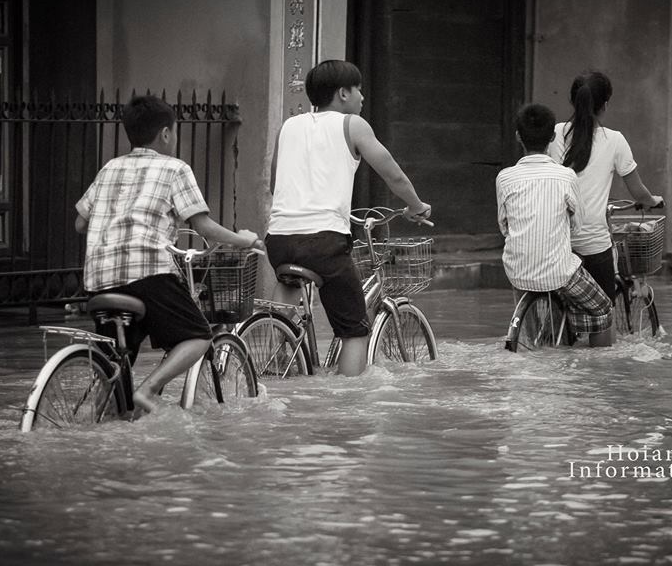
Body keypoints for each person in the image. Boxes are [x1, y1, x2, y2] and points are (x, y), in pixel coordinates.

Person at [74, 95, 264, 414]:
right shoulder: (174, 168)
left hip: (98, 280)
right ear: (166, 133)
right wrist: (244, 240)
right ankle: (146, 392)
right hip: (149, 273)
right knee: (197, 336)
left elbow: (80, 223)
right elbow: (203, 227)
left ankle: (104, 416)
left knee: (116, 364)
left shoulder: (110, 168)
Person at [266, 59, 431, 376]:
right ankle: (347, 402)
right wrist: (415, 205)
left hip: (280, 239)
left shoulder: (289, 126)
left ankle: (275, 357)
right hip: (324, 242)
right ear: (343, 93)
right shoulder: (352, 125)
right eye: (358, 89)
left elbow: (276, 186)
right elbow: (392, 174)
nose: (362, 97)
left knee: (286, 289)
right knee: (354, 332)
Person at [548, 71, 663, 346]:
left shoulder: (554, 134)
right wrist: (652, 201)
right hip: (592, 244)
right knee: (603, 316)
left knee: (558, 311)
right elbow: (638, 191)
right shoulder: (615, 140)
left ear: (573, 100)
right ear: (605, 105)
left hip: (557, 241)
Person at [497, 103, 613, 346]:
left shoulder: (505, 177)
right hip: (559, 271)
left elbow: (504, 226)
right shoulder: (566, 176)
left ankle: (532, 339)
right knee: (603, 308)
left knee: (528, 292)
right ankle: (600, 369)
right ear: (552, 137)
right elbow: (577, 225)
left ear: (518, 136)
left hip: (517, 270)